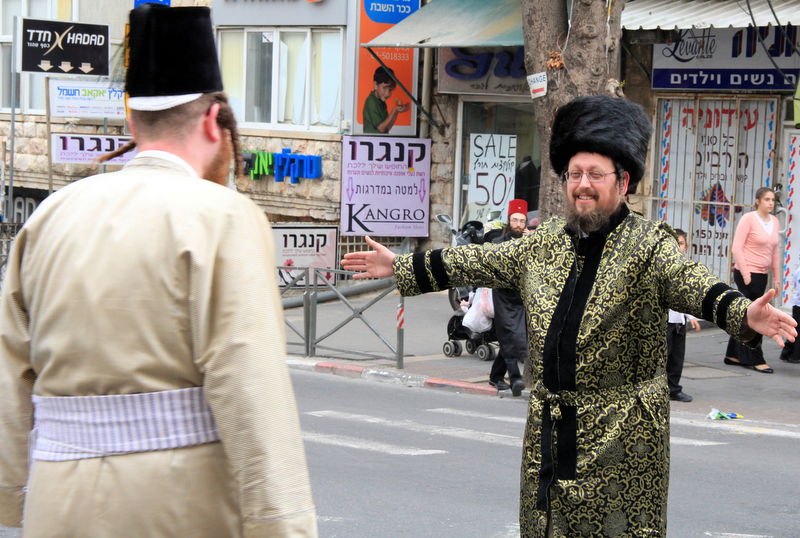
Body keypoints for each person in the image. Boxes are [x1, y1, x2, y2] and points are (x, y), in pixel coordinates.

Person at [341, 95, 796, 537]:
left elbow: (691, 282)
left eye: (595, 174)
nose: (582, 184)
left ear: (624, 181)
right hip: (549, 433)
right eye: (574, 173)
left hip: (624, 438)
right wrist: (401, 267)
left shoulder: (648, 245)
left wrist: (742, 313)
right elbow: (477, 262)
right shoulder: (545, 242)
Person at [0, 5, 317, 537]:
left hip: (57, 502)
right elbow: (249, 386)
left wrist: (11, 493)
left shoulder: (51, 214)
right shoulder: (224, 217)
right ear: (214, 121)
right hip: (177, 504)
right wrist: (283, 525)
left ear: (132, 121)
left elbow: (11, 367)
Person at [724, 187, 781, 373]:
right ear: (758, 201)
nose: (770, 203)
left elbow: (775, 252)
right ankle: (756, 358)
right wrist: (747, 276)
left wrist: (777, 278)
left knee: (744, 314)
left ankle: (733, 354)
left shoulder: (774, 221)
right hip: (746, 273)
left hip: (762, 275)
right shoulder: (748, 219)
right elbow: (737, 248)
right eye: (767, 199)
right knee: (756, 315)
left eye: (773, 199)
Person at [486, 198, 530, 396]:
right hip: (503, 295)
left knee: (516, 337)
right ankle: (515, 379)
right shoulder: (498, 243)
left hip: (522, 297)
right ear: (508, 221)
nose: (518, 225)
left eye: (522, 221)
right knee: (508, 334)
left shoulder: (531, 241)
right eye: (515, 220)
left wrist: (533, 243)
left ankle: (495, 376)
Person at [667, 229, 702, 402]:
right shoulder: (664, 265)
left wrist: (691, 316)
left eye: (680, 243)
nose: (678, 247)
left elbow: (687, 295)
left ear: (686, 246)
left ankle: (673, 388)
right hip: (665, 320)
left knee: (677, 357)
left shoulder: (686, 267)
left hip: (679, 320)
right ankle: (658, 389)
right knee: (663, 356)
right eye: (674, 243)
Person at [362, 66, 409, 134]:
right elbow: (381, 128)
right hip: (373, 141)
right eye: (384, 88)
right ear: (375, 85)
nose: (387, 94)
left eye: (390, 89)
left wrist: (396, 112)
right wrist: (394, 110)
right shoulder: (371, 101)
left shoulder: (381, 102)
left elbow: (387, 128)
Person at [779, 262, 800, 364]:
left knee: (795, 330)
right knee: (796, 332)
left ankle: (787, 353)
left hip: (797, 304)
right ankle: (793, 355)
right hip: (798, 305)